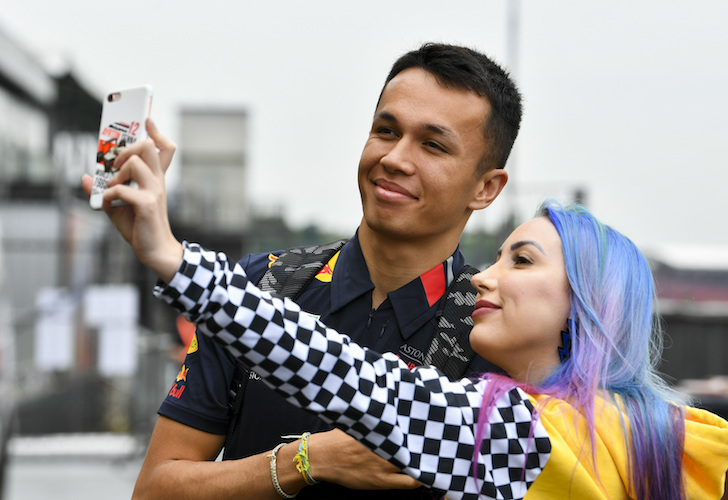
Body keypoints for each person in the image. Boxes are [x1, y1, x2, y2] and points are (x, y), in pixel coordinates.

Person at [82, 42, 522, 498]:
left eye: (432, 145)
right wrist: (300, 463)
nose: (394, 158)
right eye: (386, 131)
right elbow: (155, 489)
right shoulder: (258, 287)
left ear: (486, 187)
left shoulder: (493, 328)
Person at [121, 197, 728, 499]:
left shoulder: (511, 432)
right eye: (497, 256)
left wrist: (173, 261)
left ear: (584, 307)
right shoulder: (655, 436)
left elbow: (335, 371)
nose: (483, 277)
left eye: (521, 261)